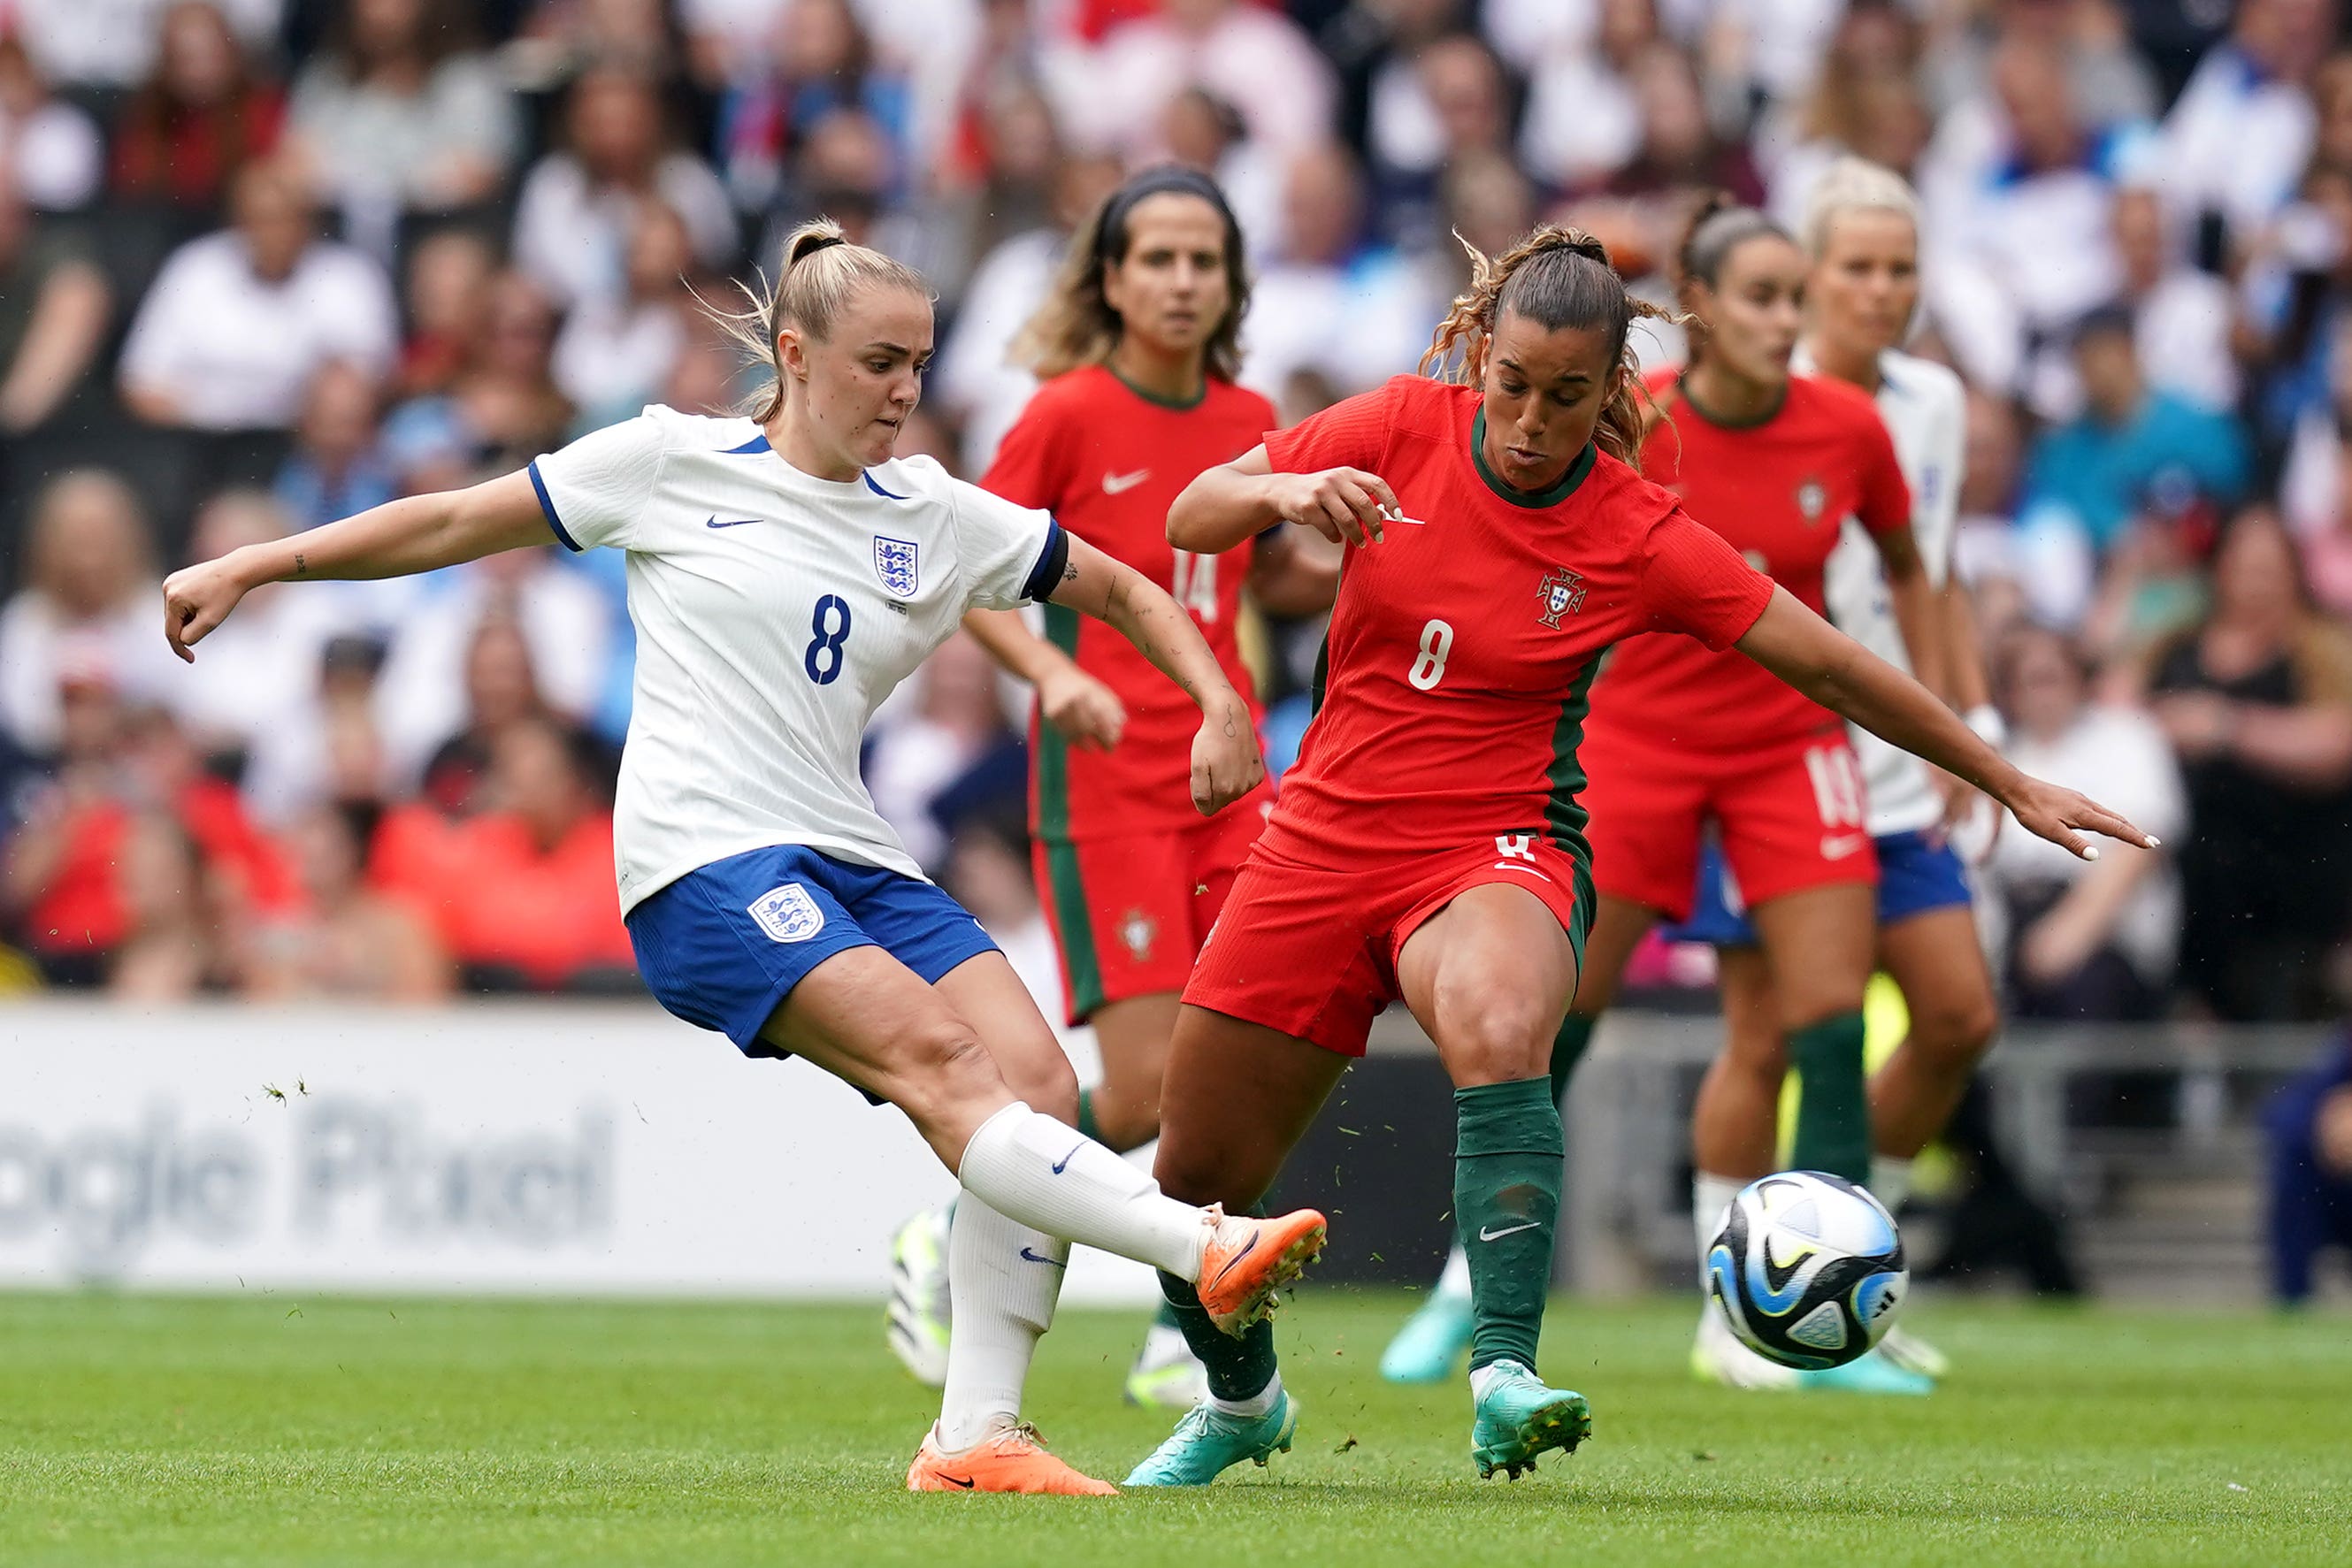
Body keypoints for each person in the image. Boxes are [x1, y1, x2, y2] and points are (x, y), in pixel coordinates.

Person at [160, 218, 1328, 1497]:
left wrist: (1219, 698)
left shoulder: (930, 513)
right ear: (794, 351)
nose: (903, 390)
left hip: (853, 853)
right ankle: (1199, 1242)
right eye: (879, 360)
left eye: (920, 364)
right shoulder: (671, 460)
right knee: (948, 1068)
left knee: (1042, 1084)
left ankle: (978, 1432)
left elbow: (1126, 587)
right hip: (703, 863)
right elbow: (450, 519)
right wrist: (260, 561)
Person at [1127, 223, 2153, 1487]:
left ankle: (1502, 1366)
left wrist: (2002, 772)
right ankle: (1241, 1403)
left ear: (1614, 388)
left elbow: (1827, 657)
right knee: (1190, 1177)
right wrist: (1285, 491)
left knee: (1506, 1019)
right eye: (1511, 384)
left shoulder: (1636, 527)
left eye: (1567, 396)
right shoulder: (1397, 423)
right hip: (1322, 837)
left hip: (1495, 845)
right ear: (1477, 352)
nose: (1531, 419)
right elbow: (1192, 506)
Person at [1384, 160, 1995, 1396]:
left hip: (1791, 745)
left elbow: (1914, 567)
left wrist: (1958, 721)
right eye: (1763, 297)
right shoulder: (1632, 417)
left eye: (1791, 296)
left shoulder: (1858, 426)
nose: (1785, 320)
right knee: (1562, 1016)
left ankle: (1792, 1320)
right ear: (1706, 306)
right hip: (1643, 738)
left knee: (1822, 1020)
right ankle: (1468, 1282)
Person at [883, 167, 1337, 1408]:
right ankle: (968, 1210)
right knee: (1142, 1083)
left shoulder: (1250, 412)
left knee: (1243, 1056)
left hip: (1228, 771)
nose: (1184, 281)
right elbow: (963, 574)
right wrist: (1050, 673)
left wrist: (1346, 556)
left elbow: (1251, 579)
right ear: (1114, 279)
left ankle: (1177, 1316)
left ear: (1233, 282)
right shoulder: (1067, 414)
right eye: (1161, 259)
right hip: (1102, 784)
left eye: (1206, 260)